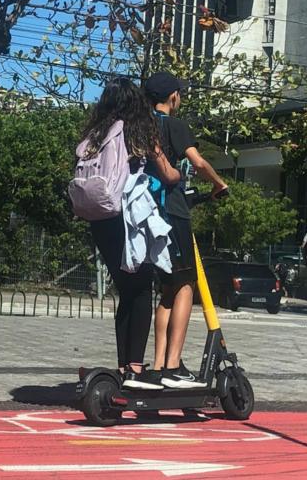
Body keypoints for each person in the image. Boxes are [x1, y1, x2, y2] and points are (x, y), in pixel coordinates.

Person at [81, 78, 181, 390]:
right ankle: (135, 370)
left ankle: (124, 363)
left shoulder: (95, 134)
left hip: (99, 217)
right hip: (128, 217)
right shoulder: (138, 129)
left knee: (125, 289)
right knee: (140, 289)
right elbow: (167, 173)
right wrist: (178, 176)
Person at [143, 71, 229, 388]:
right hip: (171, 212)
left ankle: (158, 365)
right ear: (173, 96)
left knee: (167, 289)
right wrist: (219, 184)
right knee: (185, 286)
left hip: (146, 214)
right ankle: (174, 366)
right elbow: (199, 162)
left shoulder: (140, 125)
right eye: (180, 93)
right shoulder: (173, 125)